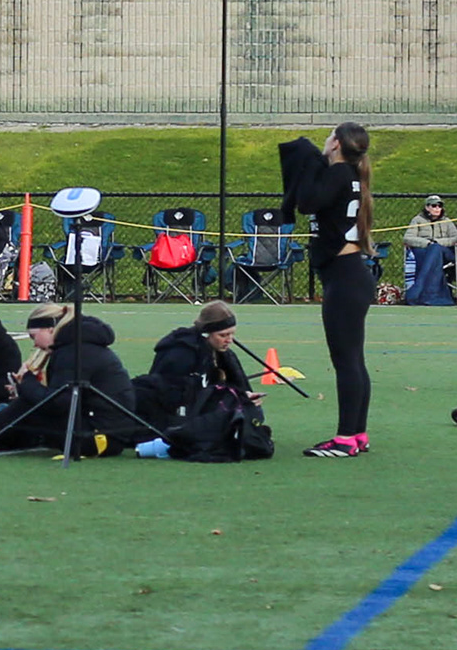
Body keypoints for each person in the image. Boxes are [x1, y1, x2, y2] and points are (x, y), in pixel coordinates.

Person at [0, 304, 142, 458]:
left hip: (98, 437)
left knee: (24, 407)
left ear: (50, 329)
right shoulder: (76, 348)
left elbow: (59, 403)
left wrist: (26, 383)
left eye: (34, 336)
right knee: (19, 409)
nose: (35, 344)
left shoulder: (72, 353)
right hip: (104, 432)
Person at [281, 123, 374, 457]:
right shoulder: (348, 174)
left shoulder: (338, 174)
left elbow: (307, 202)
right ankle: (357, 433)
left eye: (329, 136)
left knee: (346, 361)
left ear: (336, 143)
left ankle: (346, 437)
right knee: (353, 360)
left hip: (345, 278)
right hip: (349, 275)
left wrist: (311, 163)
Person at [130, 301, 261, 460]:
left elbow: (229, 385)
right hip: (176, 414)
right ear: (206, 334)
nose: (229, 340)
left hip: (199, 409)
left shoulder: (222, 355)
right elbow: (170, 396)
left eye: (231, 334)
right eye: (223, 335)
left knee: (250, 413)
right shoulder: (180, 354)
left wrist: (242, 396)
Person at [403, 194, 457, 307]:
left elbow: (456, 238)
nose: (437, 208)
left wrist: (437, 242)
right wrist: (427, 243)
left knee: (435, 248)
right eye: (434, 206)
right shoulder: (417, 220)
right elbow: (408, 238)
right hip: (423, 251)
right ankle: (433, 297)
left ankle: (416, 291)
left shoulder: (447, 221)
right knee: (432, 251)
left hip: (444, 252)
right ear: (427, 207)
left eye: (439, 206)